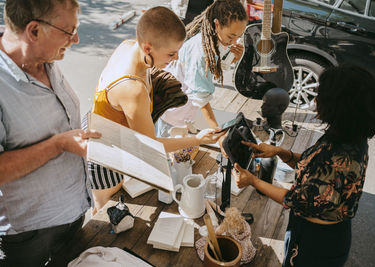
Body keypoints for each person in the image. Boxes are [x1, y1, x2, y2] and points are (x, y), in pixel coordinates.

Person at [234, 65, 375, 267]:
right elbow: (316, 165)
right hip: (309, 227)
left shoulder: (341, 157)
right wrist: (280, 152)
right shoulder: (348, 135)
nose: (315, 101)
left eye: (320, 96)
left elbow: (297, 199)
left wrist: (253, 180)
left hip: (318, 242)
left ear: (339, 106)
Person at [88, 6, 225, 214]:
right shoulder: (132, 89)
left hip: (114, 137)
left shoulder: (129, 46)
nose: (177, 58)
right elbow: (149, 147)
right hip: (105, 152)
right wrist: (197, 140)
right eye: (171, 53)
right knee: (105, 212)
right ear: (148, 47)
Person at [0, 0, 101, 266]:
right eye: (69, 31)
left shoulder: (43, 56)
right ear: (33, 31)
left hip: (72, 215)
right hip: (29, 237)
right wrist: (58, 145)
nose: (76, 39)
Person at [157, 0, 248, 147]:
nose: (234, 42)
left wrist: (234, 58)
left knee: (181, 147)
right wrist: (217, 133)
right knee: (164, 149)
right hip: (171, 108)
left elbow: (218, 64)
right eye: (231, 37)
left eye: (239, 36)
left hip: (185, 104)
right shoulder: (199, 51)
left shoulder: (217, 38)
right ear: (217, 24)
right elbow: (201, 97)